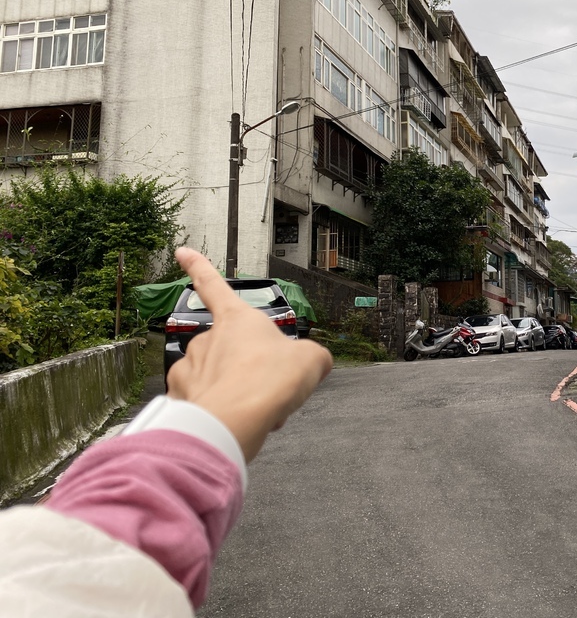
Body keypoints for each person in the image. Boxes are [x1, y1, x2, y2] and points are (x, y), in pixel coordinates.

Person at [0, 247, 333, 617]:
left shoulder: (185, 315)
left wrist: (194, 419)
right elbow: (83, 573)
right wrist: (202, 426)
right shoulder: (276, 308)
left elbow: (52, 575)